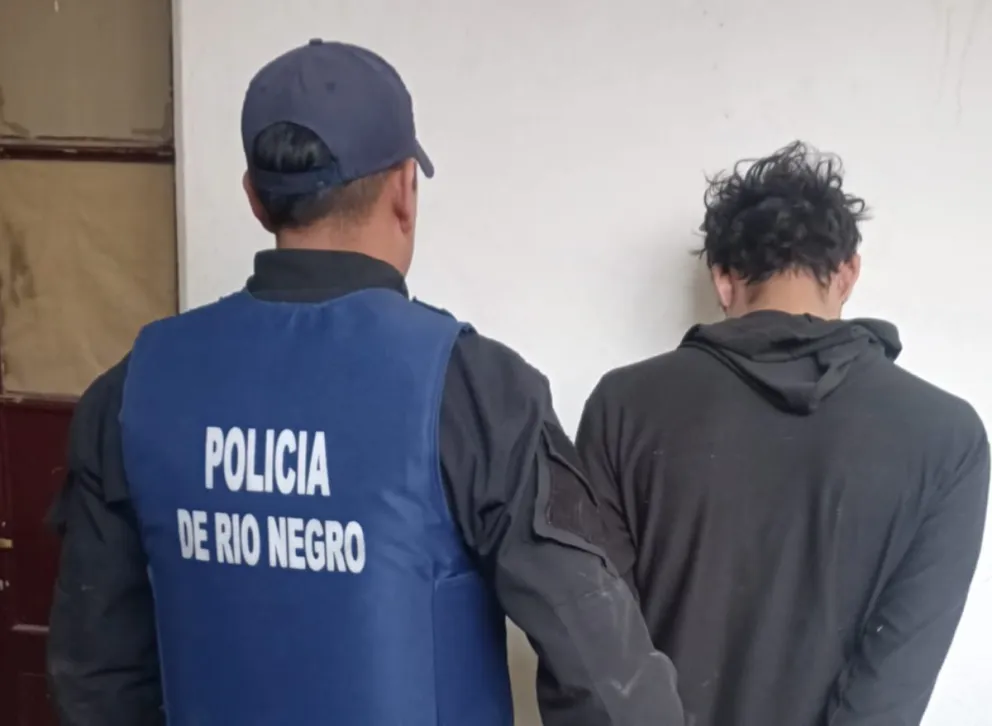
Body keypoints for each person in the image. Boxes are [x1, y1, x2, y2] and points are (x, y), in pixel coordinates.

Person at [46, 40, 683, 726]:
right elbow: (609, 684)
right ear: (406, 189)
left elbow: (96, 679)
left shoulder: (134, 391)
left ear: (256, 199)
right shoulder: (475, 392)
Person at [576, 141, 990, 726]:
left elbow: (597, 646)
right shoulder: (949, 437)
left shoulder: (623, 407)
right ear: (849, 273)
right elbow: (894, 682)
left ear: (723, 279)